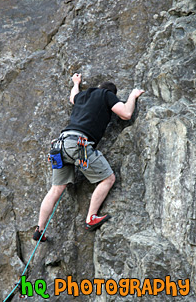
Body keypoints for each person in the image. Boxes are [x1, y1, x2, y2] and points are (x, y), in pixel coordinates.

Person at [33, 73, 144, 241]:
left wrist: (76, 83)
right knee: (108, 179)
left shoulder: (83, 95)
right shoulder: (107, 96)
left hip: (59, 144)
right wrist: (133, 95)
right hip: (78, 144)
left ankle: (39, 229)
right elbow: (126, 114)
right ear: (112, 94)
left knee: (56, 189)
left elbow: (73, 98)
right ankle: (91, 218)